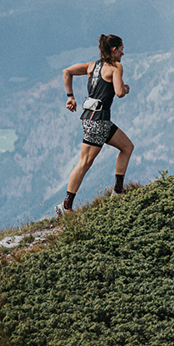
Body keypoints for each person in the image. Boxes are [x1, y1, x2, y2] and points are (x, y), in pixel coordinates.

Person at [58, 34, 134, 214]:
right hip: (100, 121)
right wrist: (125, 89)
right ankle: (67, 206)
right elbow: (119, 92)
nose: (123, 53)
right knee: (85, 162)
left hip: (89, 119)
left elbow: (66, 72)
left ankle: (117, 190)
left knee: (126, 147)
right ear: (114, 50)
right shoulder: (116, 67)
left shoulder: (92, 66)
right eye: (121, 49)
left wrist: (70, 97)